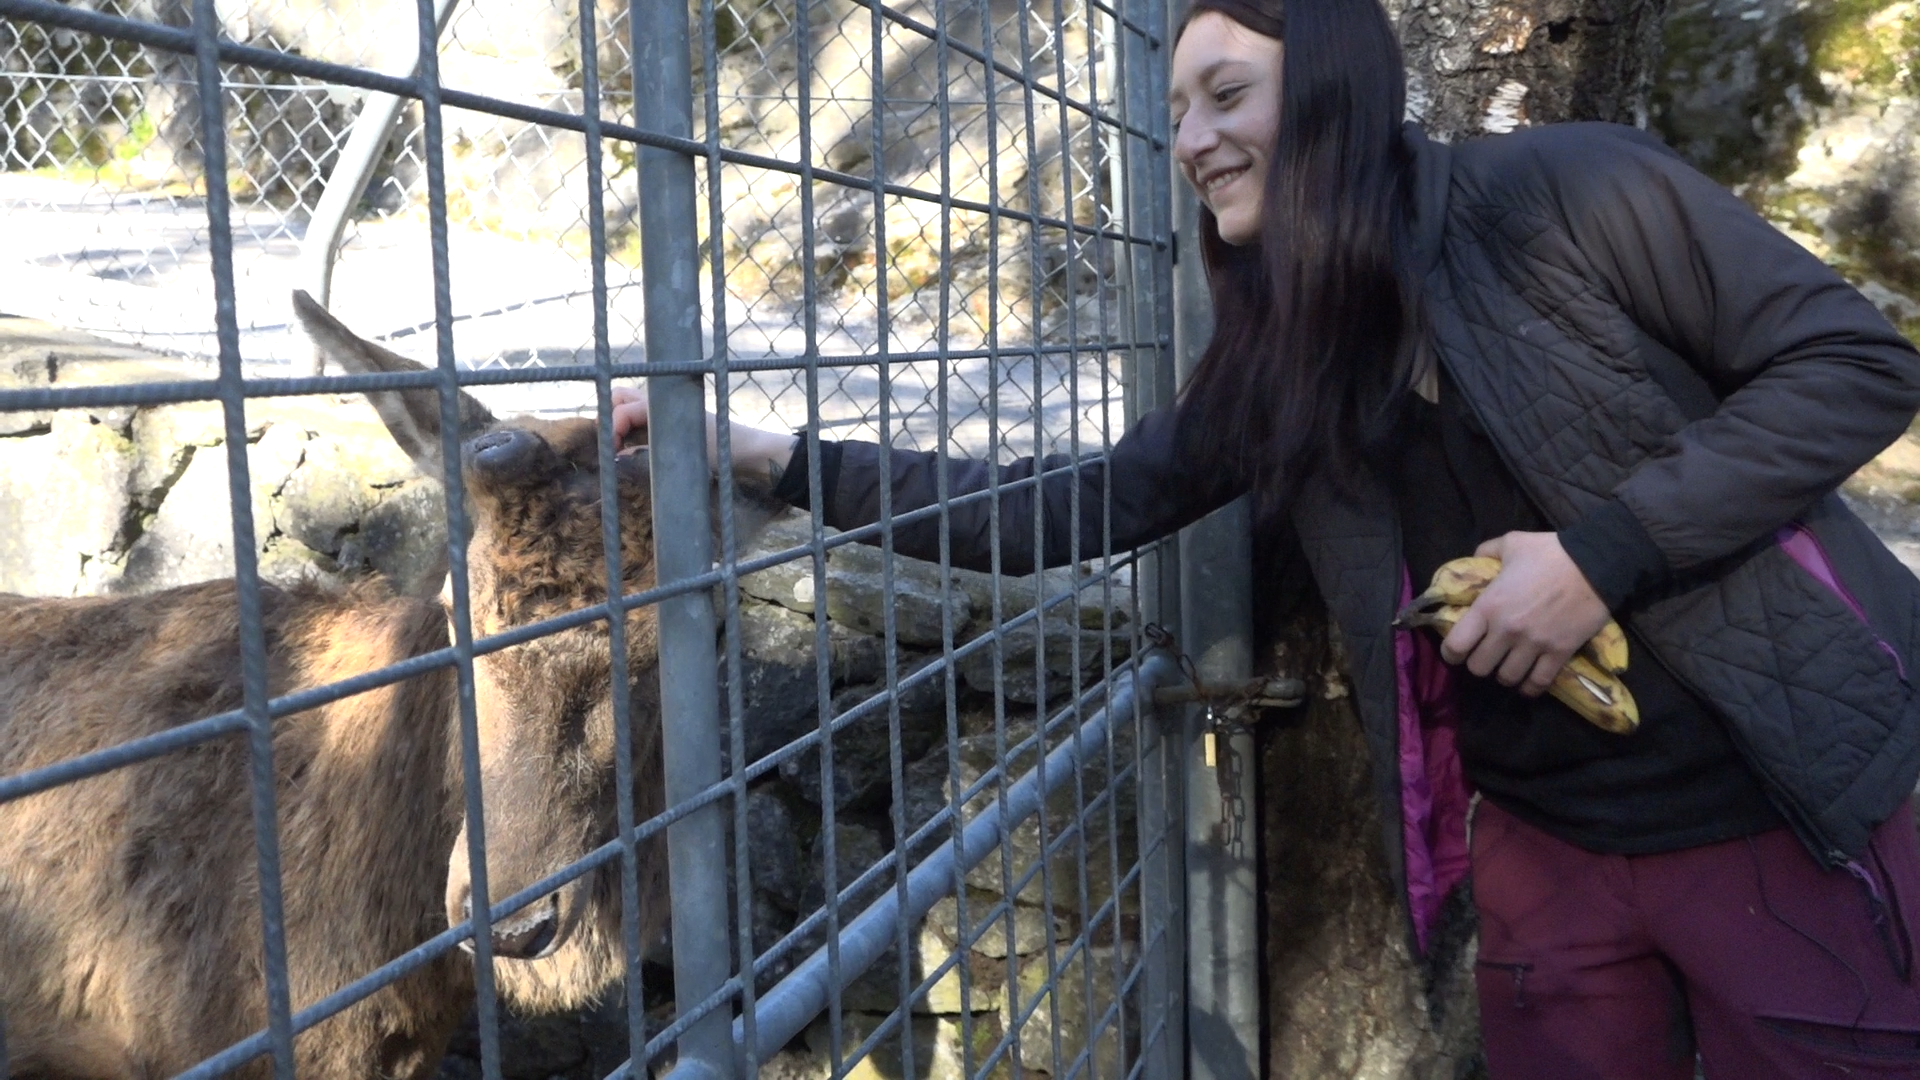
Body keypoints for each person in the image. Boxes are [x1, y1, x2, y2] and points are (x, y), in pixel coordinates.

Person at [611, 0, 1920, 1072]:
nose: (1191, 137)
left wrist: (1597, 558)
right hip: (1546, 855)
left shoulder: (1574, 191)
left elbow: (1855, 364)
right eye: (1177, 110)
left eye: (1226, 94)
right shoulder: (1281, 359)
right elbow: (1071, 506)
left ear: (1337, 86)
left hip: (1783, 821)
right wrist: (775, 459)